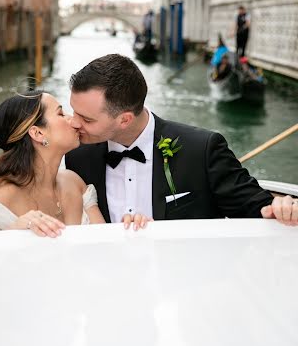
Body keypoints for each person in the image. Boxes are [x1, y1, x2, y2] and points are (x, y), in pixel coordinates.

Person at [65, 54, 298, 225]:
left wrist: (282, 207)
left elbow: (257, 208)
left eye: (85, 118)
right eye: (72, 111)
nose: (73, 123)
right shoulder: (77, 155)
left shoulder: (202, 149)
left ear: (124, 119)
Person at [0, 91, 151, 236]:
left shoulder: (74, 183)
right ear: (37, 133)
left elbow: (105, 252)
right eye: (61, 114)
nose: (74, 121)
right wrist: (15, 233)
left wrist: (131, 228)